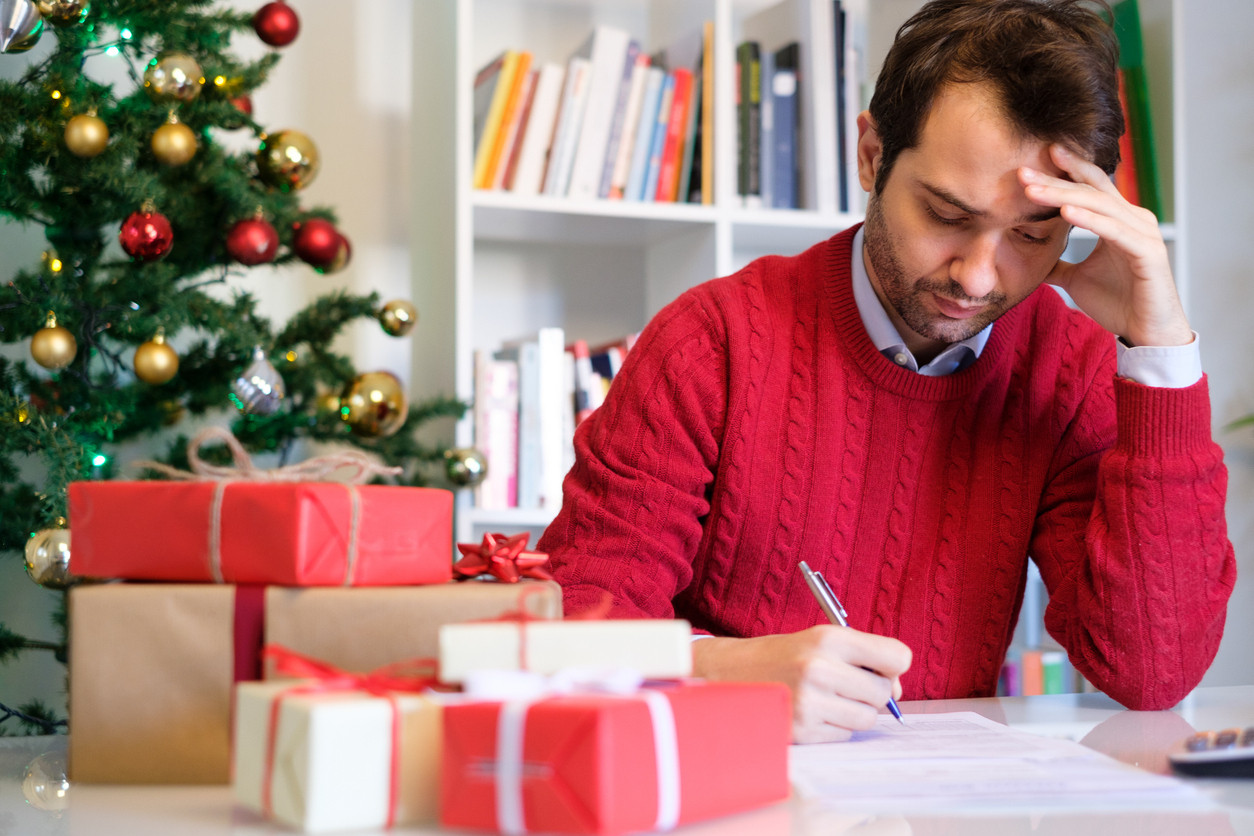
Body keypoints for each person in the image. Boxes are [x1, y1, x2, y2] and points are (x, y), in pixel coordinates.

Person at [537, 0, 1236, 743]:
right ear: (871, 155)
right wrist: (726, 673)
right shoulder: (711, 344)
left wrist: (1157, 352)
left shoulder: (1068, 369)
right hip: (733, 784)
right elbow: (579, 617)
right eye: (946, 215)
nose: (976, 278)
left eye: (1032, 236)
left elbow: (1152, 670)